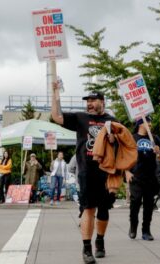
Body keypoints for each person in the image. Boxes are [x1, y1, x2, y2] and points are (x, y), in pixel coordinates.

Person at [51, 87, 117, 264]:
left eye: (93, 100)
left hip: (106, 172)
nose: (89, 104)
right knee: (88, 208)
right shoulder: (80, 118)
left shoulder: (112, 121)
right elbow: (57, 117)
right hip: (86, 172)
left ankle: (100, 241)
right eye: (87, 101)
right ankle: (87, 249)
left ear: (102, 102)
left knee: (103, 210)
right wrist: (55, 95)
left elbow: (121, 145)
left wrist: (113, 141)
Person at [126, 116, 160, 241]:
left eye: (151, 121)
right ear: (141, 124)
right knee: (135, 203)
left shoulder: (155, 138)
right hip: (136, 176)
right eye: (148, 122)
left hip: (151, 176)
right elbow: (125, 156)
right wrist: (126, 172)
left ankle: (146, 230)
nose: (150, 124)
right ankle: (133, 226)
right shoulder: (132, 138)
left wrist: (158, 152)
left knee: (148, 205)